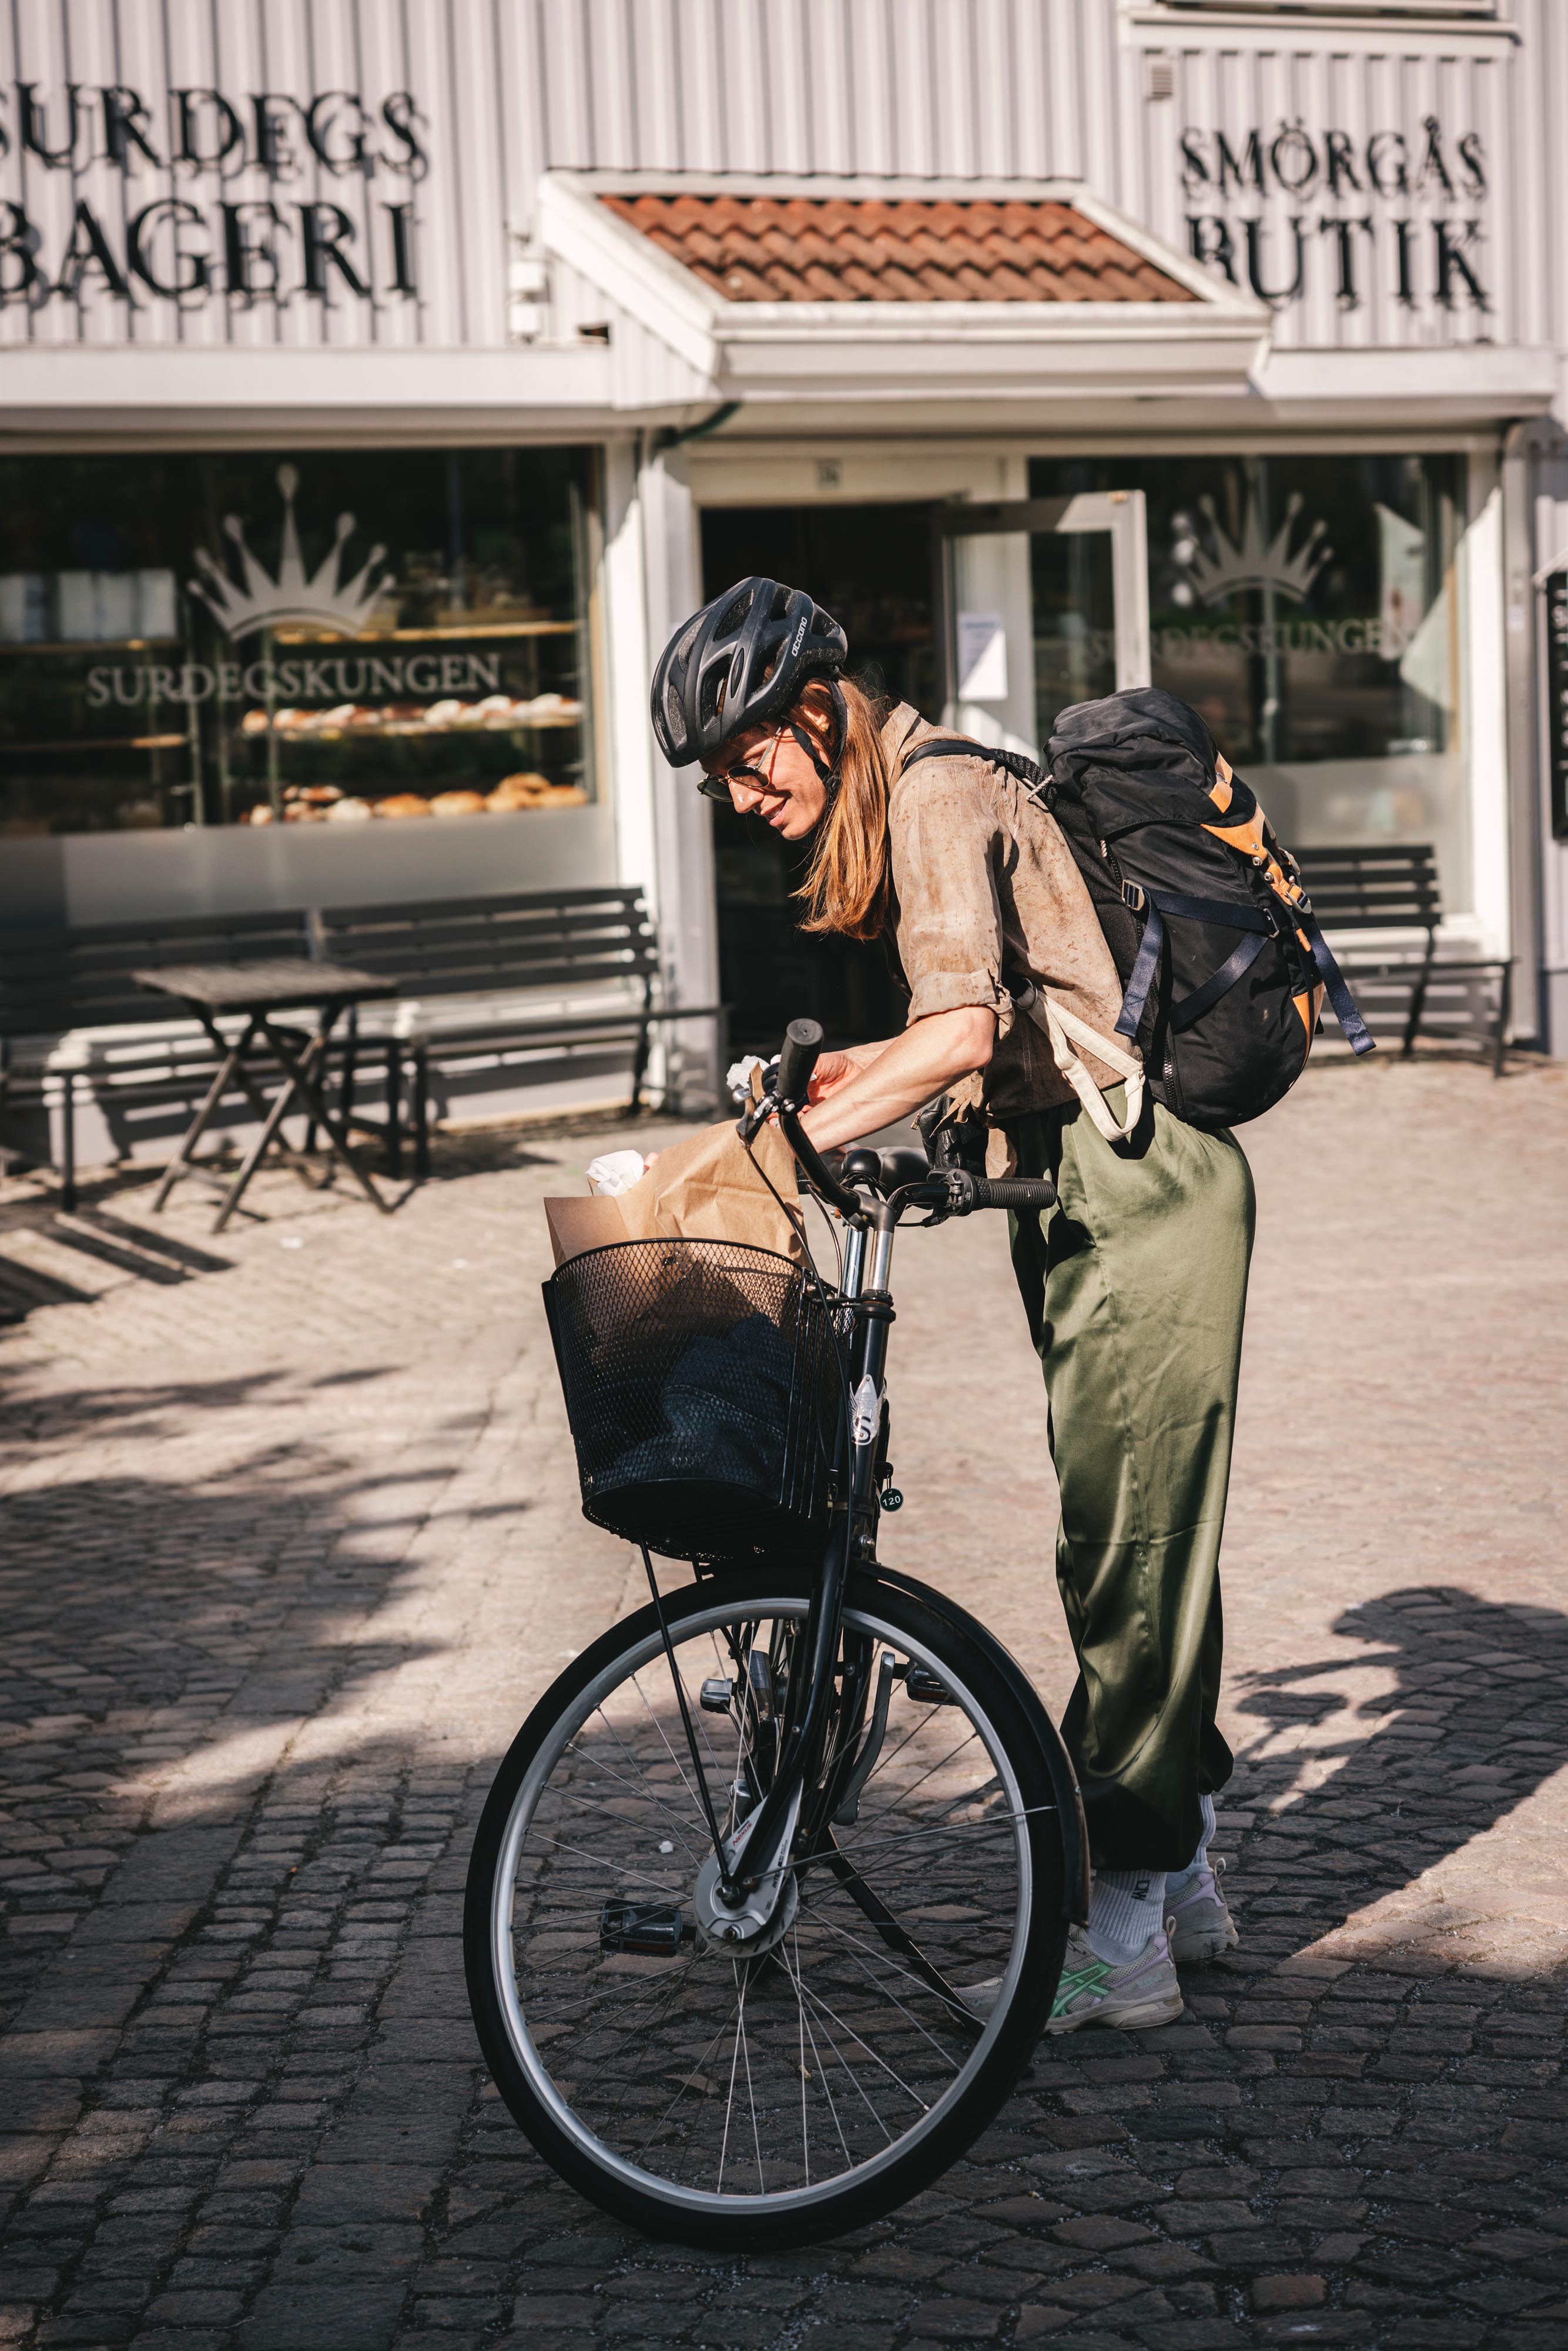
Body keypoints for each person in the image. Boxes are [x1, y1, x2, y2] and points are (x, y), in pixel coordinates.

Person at [651, 577, 1249, 2034]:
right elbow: (961, 1034)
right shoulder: (942, 782)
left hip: (1139, 1189)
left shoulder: (927, 796)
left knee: (1130, 1550)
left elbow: (959, 1029)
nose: (740, 796)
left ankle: (1120, 1936)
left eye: (747, 760)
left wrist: (784, 1145)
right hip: (1094, 1188)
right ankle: (1178, 1878)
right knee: (1135, 1535)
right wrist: (803, 1094)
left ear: (811, 711)